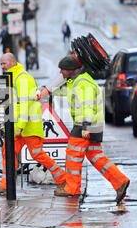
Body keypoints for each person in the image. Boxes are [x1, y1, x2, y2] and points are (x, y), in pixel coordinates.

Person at [50, 56, 130, 205]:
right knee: (95, 155)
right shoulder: (76, 82)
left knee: (73, 154)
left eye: (63, 69)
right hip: (93, 125)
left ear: (72, 70)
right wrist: (45, 90)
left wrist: (85, 127)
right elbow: (62, 92)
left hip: (85, 125)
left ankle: (72, 188)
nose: (60, 72)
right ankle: (120, 181)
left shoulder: (82, 84)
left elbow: (86, 106)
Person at [0, 53, 67, 195]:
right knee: (8, 152)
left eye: (4, 63)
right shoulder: (11, 78)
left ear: (13, 62)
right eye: (1, 64)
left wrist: (21, 126)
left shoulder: (22, 78)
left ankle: (62, 178)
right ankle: (5, 184)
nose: (2, 67)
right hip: (17, 126)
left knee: (37, 154)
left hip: (27, 125)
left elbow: (25, 104)